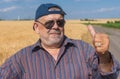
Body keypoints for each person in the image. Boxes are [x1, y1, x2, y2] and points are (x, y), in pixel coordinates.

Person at [0, 3, 120, 79]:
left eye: (60, 22)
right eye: (49, 23)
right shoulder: (21, 59)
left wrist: (104, 56)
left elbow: (109, 76)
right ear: (36, 27)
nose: (56, 26)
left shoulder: (84, 50)